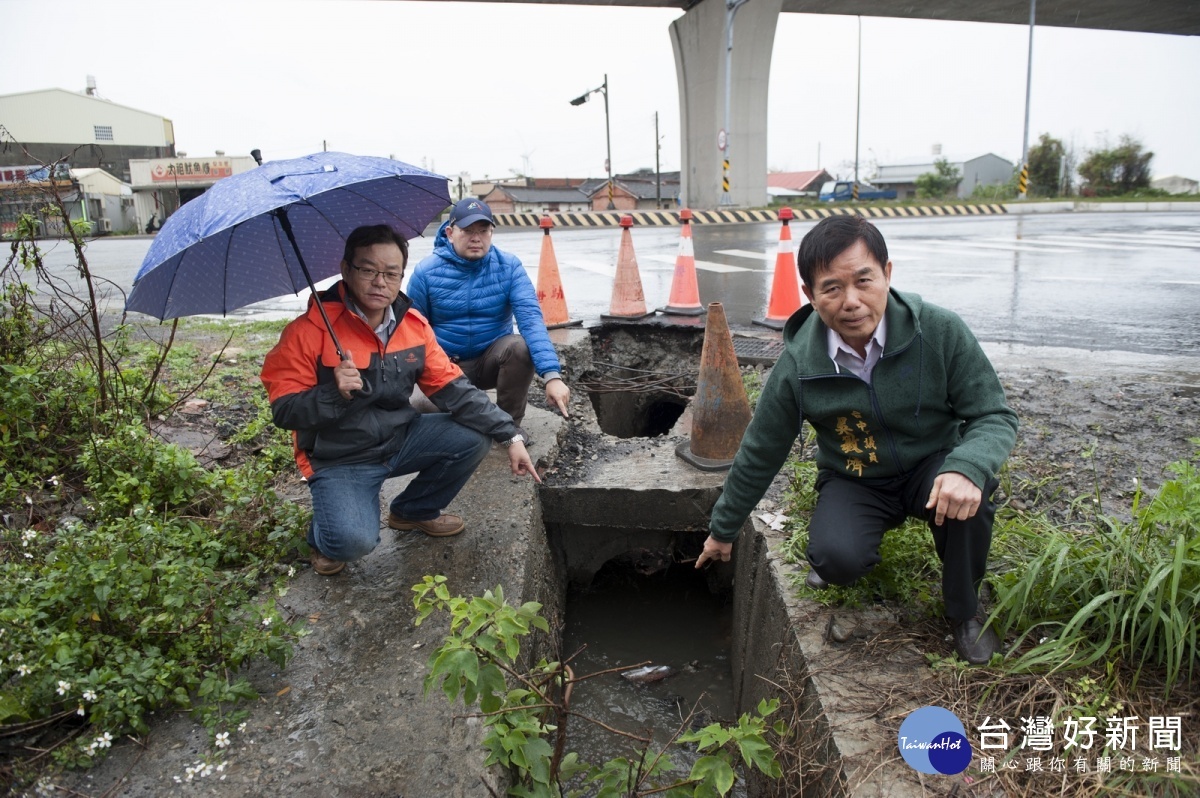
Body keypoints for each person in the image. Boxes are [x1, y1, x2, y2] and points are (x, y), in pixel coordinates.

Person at [695, 215, 1018, 665]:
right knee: (836, 557)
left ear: (888, 273)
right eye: (831, 288)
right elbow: (760, 451)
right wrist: (722, 530)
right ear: (809, 295)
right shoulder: (799, 365)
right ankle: (837, 560)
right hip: (856, 476)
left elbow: (994, 414)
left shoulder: (939, 331)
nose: (851, 302)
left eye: (864, 281)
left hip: (933, 466)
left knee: (971, 500)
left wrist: (967, 465)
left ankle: (964, 612)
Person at [261, 224, 540, 577]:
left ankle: (412, 511)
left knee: (473, 436)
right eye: (369, 270)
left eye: (391, 273)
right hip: (341, 457)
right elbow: (284, 410)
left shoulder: (412, 325)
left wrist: (509, 435)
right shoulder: (308, 331)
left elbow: (453, 388)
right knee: (353, 544)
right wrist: (333, 393)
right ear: (347, 270)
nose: (381, 282)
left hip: (399, 439)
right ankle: (322, 534)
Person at [407, 198, 570, 439]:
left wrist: (552, 376)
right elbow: (411, 331)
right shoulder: (426, 272)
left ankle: (509, 425)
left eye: (483, 230)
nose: (476, 238)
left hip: (491, 360)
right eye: (468, 231)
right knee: (423, 407)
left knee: (519, 347)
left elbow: (531, 320)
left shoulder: (509, 266)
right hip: (446, 365)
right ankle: (468, 424)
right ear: (450, 233)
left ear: (491, 232)